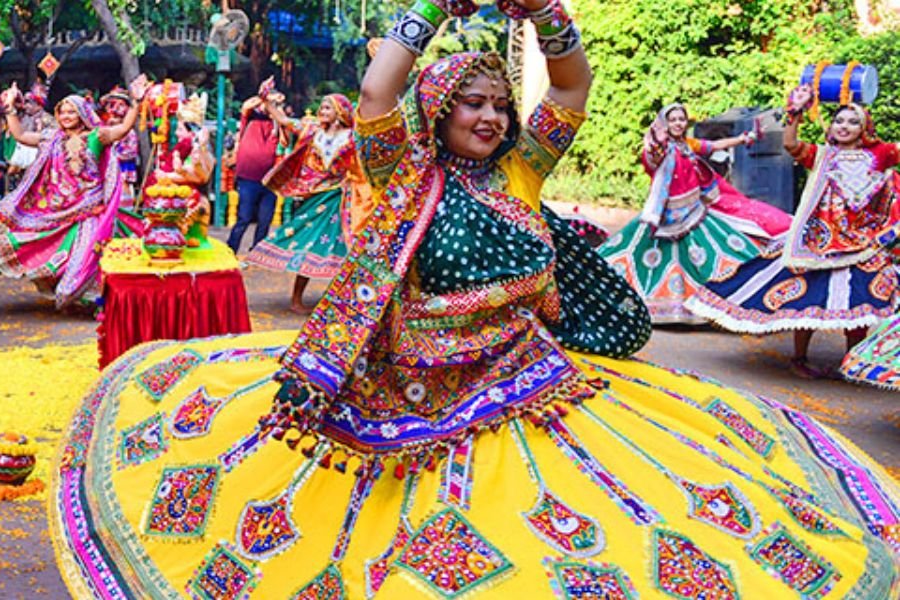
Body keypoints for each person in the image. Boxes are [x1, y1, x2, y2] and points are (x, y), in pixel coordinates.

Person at [46, 1, 900, 597]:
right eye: (472, 105)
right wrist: (433, 10)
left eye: (499, 105)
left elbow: (570, 89)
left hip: (529, 386)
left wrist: (545, 13)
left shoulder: (520, 174)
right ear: (439, 113)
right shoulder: (400, 174)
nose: (491, 118)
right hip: (406, 401)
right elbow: (377, 93)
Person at [689, 84, 900, 378]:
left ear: (865, 128)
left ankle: (852, 362)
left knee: (860, 301)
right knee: (808, 299)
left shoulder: (881, 153)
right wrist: (795, 114)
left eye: (853, 122)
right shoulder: (821, 155)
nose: (844, 126)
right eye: (839, 120)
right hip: (817, 243)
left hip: (862, 242)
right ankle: (799, 358)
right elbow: (790, 145)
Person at [0, 80, 147, 309]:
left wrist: (136, 102)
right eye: (62, 112)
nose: (66, 116)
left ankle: (89, 295)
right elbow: (20, 135)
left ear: (82, 114)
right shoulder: (51, 138)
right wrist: (9, 109)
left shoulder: (97, 136)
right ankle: (76, 291)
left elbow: (124, 128)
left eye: (71, 111)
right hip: (58, 210)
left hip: (91, 209)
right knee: (53, 249)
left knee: (91, 250)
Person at [597, 103, 790, 323]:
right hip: (664, 218)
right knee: (646, 261)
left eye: (682, 119)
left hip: (693, 212)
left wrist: (742, 138)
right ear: (664, 124)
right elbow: (652, 158)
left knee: (702, 258)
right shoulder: (661, 147)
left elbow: (715, 146)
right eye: (673, 120)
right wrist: (656, 141)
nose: (678, 124)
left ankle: (713, 303)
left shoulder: (687, 145)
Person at [247, 93, 373, 313]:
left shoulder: (353, 137)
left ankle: (346, 300)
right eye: (322, 107)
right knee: (308, 244)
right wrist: (266, 101)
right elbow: (285, 121)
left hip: (340, 199)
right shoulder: (312, 130)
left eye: (327, 108)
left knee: (345, 248)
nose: (322, 112)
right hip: (313, 196)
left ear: (340, 113)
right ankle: (296, 299)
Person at [225, 82, 286, 253]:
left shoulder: (277, 123)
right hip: (248, 179)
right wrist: (264, 97)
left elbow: (286, 135)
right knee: (243, 218)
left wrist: (277, 109)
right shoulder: (251, 117)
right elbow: (246, 106)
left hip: (270, 181)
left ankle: (257, 253)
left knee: (265, 220)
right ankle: (231, 249)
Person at [100, 86, 140, 196]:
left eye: (120, 104)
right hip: (108, 165)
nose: (114, 109)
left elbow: (130, 152)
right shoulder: (105, 129)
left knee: (122, 185)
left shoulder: (129, 132)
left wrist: (114, 155)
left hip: (122, 165)